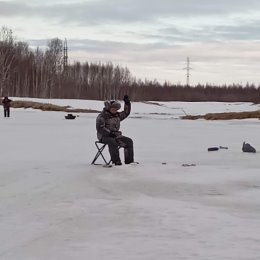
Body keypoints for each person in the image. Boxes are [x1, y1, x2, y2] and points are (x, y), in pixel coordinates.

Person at [96, 95, 134, 165]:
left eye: (116, 108)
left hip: (115, 135)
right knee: (112, 141)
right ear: (108, 108)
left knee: (129, 141)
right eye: (112, 108)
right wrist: (110, 133)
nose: (114, 110)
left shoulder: (117, 115)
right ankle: (116, 161)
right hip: (103, 136)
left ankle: (129, 162)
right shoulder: (102, 116)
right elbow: (100, 128)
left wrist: (127, 103)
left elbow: (126, 113)